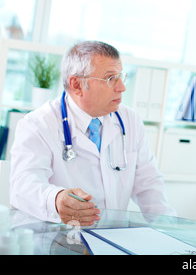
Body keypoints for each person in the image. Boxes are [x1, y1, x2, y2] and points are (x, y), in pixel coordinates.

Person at [10, 41, 176, 226]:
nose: (122, 87)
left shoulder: (129, 120)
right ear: (77, 84)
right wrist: (56, 199)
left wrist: (170, 231)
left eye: (121, 76)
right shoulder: (38, 125)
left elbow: (149, 184)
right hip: (58, 240)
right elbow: (23, 186)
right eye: (110, 78)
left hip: (112, 240)